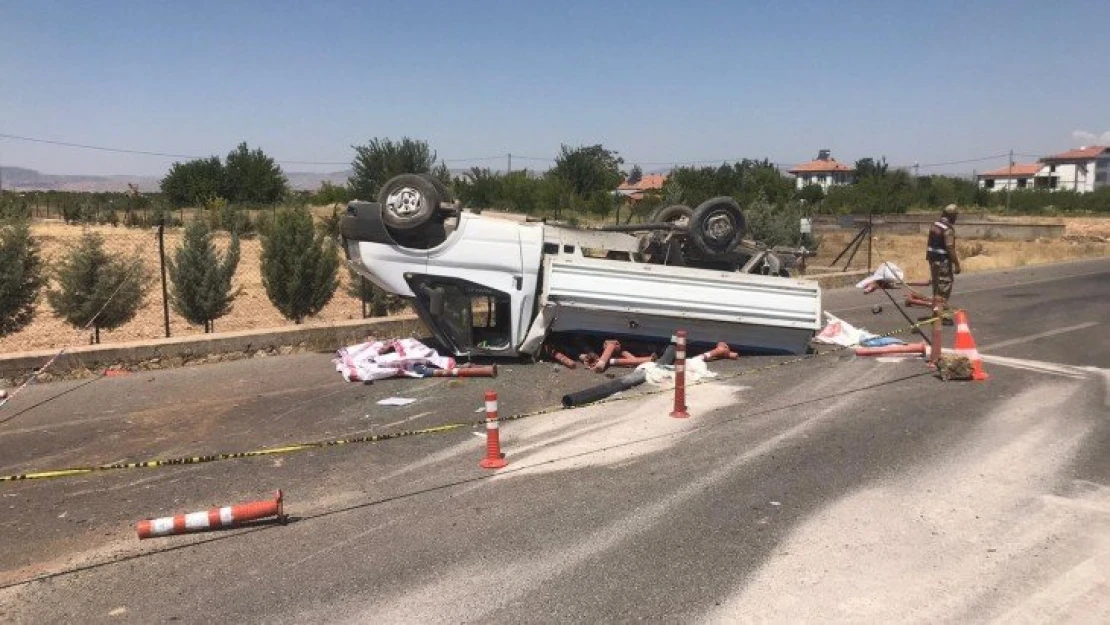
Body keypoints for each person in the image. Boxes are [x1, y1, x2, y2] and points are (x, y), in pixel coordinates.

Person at [926, 203, 961, 325]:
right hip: (942, 262)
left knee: (937, 286)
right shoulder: (947, 229)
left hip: (932, 260)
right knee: (944, 287)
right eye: (955, 215)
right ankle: (941, 316)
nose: (956, 218)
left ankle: (936, 313)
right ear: (951, 215)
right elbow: (950, 247)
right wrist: (957, 264)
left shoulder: (935, 225)